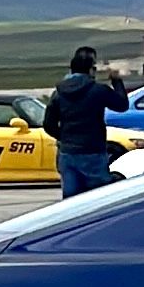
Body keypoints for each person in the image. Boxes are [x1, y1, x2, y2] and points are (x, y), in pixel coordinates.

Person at [43, 44, 117, 201]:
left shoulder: (59, 93)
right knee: (98, 199)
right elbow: (122, 105)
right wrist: (116, 81)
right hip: (93, 152)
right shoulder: (98, 90)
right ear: (91, 70)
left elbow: (48, 125)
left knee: (72, 202)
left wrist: (65, 138)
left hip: (68, 153)